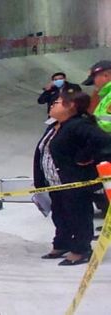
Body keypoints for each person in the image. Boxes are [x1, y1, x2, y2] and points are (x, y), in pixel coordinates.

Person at [34, 91, 111, 266]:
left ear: (71, 106)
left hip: (74, 181)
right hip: (56, 182)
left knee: (78, 215)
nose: (53, 104)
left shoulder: (79, 125)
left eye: (58, 102)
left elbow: (104, 142)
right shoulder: (55, 125)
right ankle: (62, 243)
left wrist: (85, 157)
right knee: (61, 215)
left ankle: (81, 249)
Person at [83, 61, 111, 234]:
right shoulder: (105, 96)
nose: (94, 84)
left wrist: (91, 124)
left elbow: (107, 123)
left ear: (106, 76)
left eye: (95, 79)